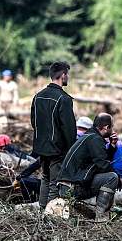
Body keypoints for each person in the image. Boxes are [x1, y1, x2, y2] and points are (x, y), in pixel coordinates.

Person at [30, 60, 77, 209]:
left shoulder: (38, 97)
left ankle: (41, 211)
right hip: (57, 149)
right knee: (55, 183)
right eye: (67, 74)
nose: (68, 77)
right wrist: (72, 150)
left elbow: (33, 121)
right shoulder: (64, 99)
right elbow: (69, 129)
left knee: (45, 178)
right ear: (63, 75)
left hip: (41, 147)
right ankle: (50, 217)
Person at [57, 113, 119, 221]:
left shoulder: (90, 137)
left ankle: (101, 214)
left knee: (111, 176)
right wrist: (119, 178)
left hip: (68, 186)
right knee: (112, 177)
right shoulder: (94, 139)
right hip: (72, 188)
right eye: (111, 127)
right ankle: (101, 218)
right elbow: (103, 165)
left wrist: (112, 146)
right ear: (106, 128)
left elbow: (101, 159)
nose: (112, 129)